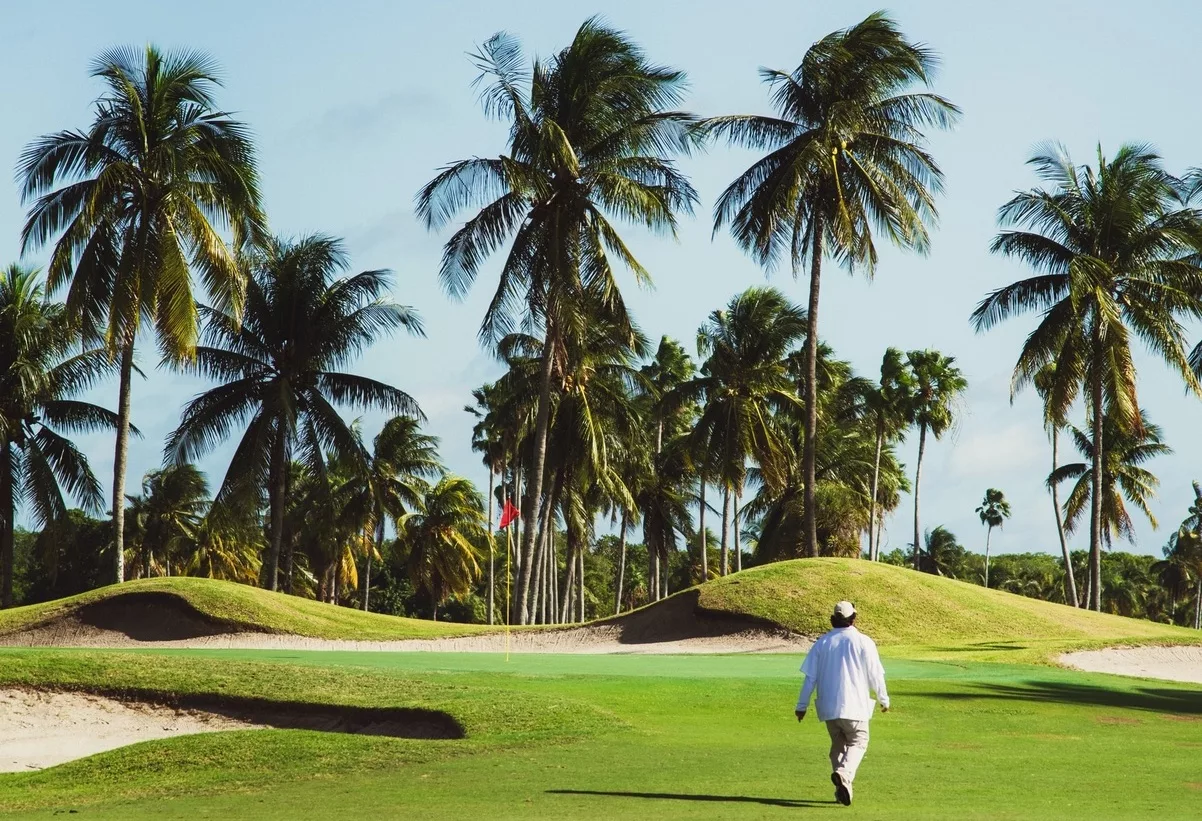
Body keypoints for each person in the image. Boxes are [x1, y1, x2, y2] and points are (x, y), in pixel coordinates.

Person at [794, 600, 890, 807]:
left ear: (832, 619)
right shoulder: (864, 641)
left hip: (829, 707)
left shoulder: (822, 642)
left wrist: (801, 706)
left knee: (838, 747)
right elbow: (875, 674)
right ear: (854, 619)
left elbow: (810, 678)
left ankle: (842, 789)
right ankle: (843, 775)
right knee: (858, 741)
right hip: (855, 706)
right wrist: (884, 699)